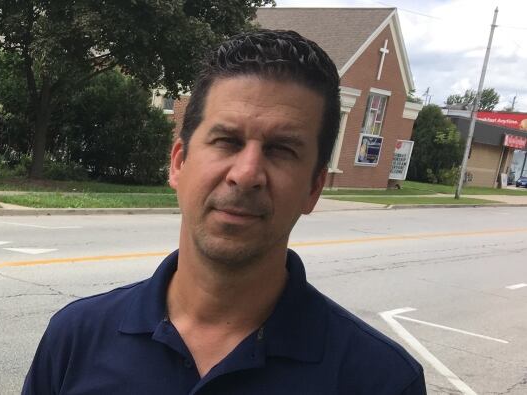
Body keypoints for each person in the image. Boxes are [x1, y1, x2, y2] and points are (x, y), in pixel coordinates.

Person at [23, 29, 426, 394]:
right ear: (179, 163)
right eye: (227, 140)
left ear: (314, 187)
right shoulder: (76, 338)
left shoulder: (381, 381)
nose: (247, 174)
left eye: (281, 149)